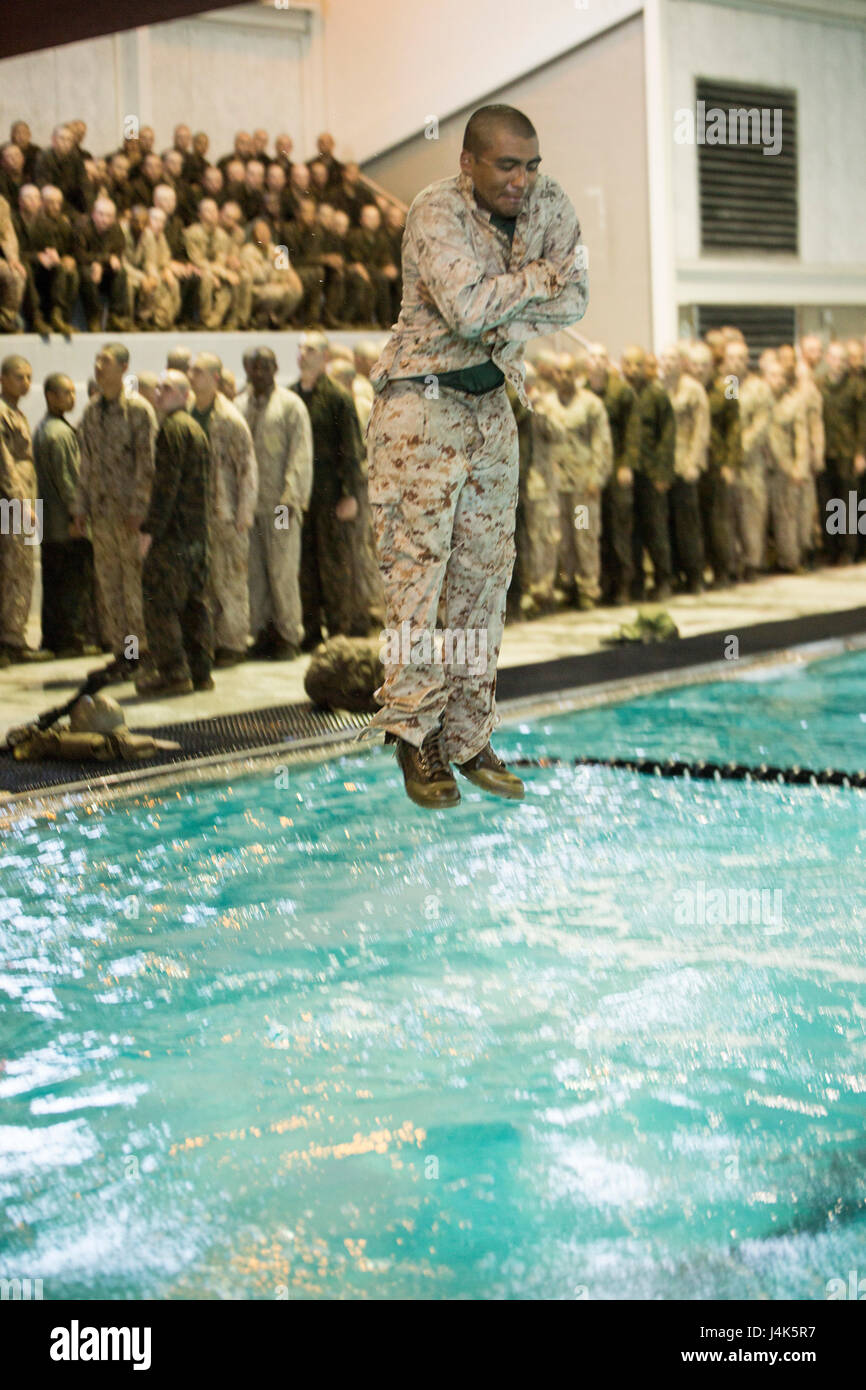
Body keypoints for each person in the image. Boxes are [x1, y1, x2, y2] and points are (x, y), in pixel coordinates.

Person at [353, 103, 588, 807]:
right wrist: (536, 282)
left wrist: (522, 292)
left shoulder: (550, 205)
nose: (523, 180)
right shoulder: (434, 211)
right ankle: (414, 734)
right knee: (417, 583)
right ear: (469, 163)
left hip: (490, 410)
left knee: (483, 583)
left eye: (531, 165)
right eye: (507, 166)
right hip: (420, 408)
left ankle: (467, 733)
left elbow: (577, 298)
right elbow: (465, 307)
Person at [72, 343, 158, 681]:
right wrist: (80, 509)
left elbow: (147, 467)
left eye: (104, 361)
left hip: (129, 518)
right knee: (110, 587)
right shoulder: (92, 413)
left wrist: (140, 510)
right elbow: (86, 465)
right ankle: (123, 654)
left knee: (134, 588)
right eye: (96, 360)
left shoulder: (138, 411)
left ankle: (142, 654)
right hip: (102, 517)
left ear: (123, 367)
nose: (97, 366)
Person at [292, 331, 382, 648]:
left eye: (311, 349)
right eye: (301, 348)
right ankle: (311, 631)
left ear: (325, 357)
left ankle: (339, 630)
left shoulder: (338, 399)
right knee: (304, 564)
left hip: (332, 495)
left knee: (334, 563)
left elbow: (352, 451)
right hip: (302, 496)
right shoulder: (292, 397)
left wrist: (351, 496)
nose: (303, 354)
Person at [137, 370, 213, 696]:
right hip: (196, 535)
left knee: (160, 603)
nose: (158, 393)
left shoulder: (172, 429)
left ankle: (173, 673)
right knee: (195, 604)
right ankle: (201, 672)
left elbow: (165, 487)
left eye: (167, 388)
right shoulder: (195, 427)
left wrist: (149, 531)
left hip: (174, 537)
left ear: (184, 395)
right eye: (158, 387)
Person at [235, 347, 313, 659]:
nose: (258, 372)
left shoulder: (291, 406)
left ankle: (288, 635)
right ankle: (263, 632)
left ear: (276, 367)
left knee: (282, 569)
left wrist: (292, 497)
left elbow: (301, 454)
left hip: (281, 505)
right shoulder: (239, 406)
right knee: (254, 571)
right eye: (253, 367)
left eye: (264, 366)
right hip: (250, 507)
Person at [188, 352, 257, 667]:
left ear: (215, 378)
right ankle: (212, 641)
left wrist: (245, 511)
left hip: (226, 513)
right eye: (191, 371)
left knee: (230, 580)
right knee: (207, 582)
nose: (192, 376)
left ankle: (233, 644)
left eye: (199, 372)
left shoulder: (228, 418)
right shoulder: (189, 414)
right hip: (198, 515)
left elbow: (247, 467)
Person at [532, 353, 612, 610]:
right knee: (561, 539)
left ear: (577, 374)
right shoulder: (545, 404)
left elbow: (602, 443)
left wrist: (596, 477)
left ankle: (588, 587)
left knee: (584, 536)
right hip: (555, 484)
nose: (563, 377)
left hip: (581, 484)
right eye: (558, 372)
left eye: (568, 372)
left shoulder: (590, 404)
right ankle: (567, 585)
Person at [33, 373, 100, 656]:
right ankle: (71, 641)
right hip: (65, 525)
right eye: (66, 393)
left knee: (55, 585)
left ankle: (54, 639)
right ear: (50, 396)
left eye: (74, 392)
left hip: (50, 524)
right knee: (72, 585)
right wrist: (78, 517)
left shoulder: (43, 427)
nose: (72, 398)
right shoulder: (60, 434)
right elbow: (68, 480)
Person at [0, 354, 52, 660]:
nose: (26, 383)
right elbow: (4, 465)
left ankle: (13, 636)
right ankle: (11, 640)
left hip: (25, 501)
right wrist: (21, 504)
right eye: (20, 376)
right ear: (3, 378)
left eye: (29, 377)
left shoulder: (16, 413)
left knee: (23, 567)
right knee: (14, 567)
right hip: (12, 504)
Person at [586, 344, 640, 605]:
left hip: (617, 467)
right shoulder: (582, 392)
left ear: (608, 362)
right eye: (592, 357)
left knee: (619, 529)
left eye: (601, 357)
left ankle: (623, 586)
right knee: (596, 531)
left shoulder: (622, 392)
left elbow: (632, 430)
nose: (596, 362)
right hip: (591, 472)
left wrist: (626, 464)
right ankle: (603, 585)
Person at [621, 345, 675, 601]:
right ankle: (637, 583)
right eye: (627, 364)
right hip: (628, 473)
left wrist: (663, 473)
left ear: (646, 367)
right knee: (632, 532)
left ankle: (664, 579)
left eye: (636, 364)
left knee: (656, 529)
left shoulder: (656, 395)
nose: (631, 369)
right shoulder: (620, 394)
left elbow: (668, 436)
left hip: (652, 473)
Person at [659, 342, 708, 594]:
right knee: (665, 526)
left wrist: (693, 462)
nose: (667, 364)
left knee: (688, 525)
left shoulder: (694, 390)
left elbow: (701, 430)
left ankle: (695, 576)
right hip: (663, 469)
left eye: (672, 359)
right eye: (664, 359)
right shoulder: (656, 389)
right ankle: (672, 575)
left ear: (681, 363)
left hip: (685, 464)